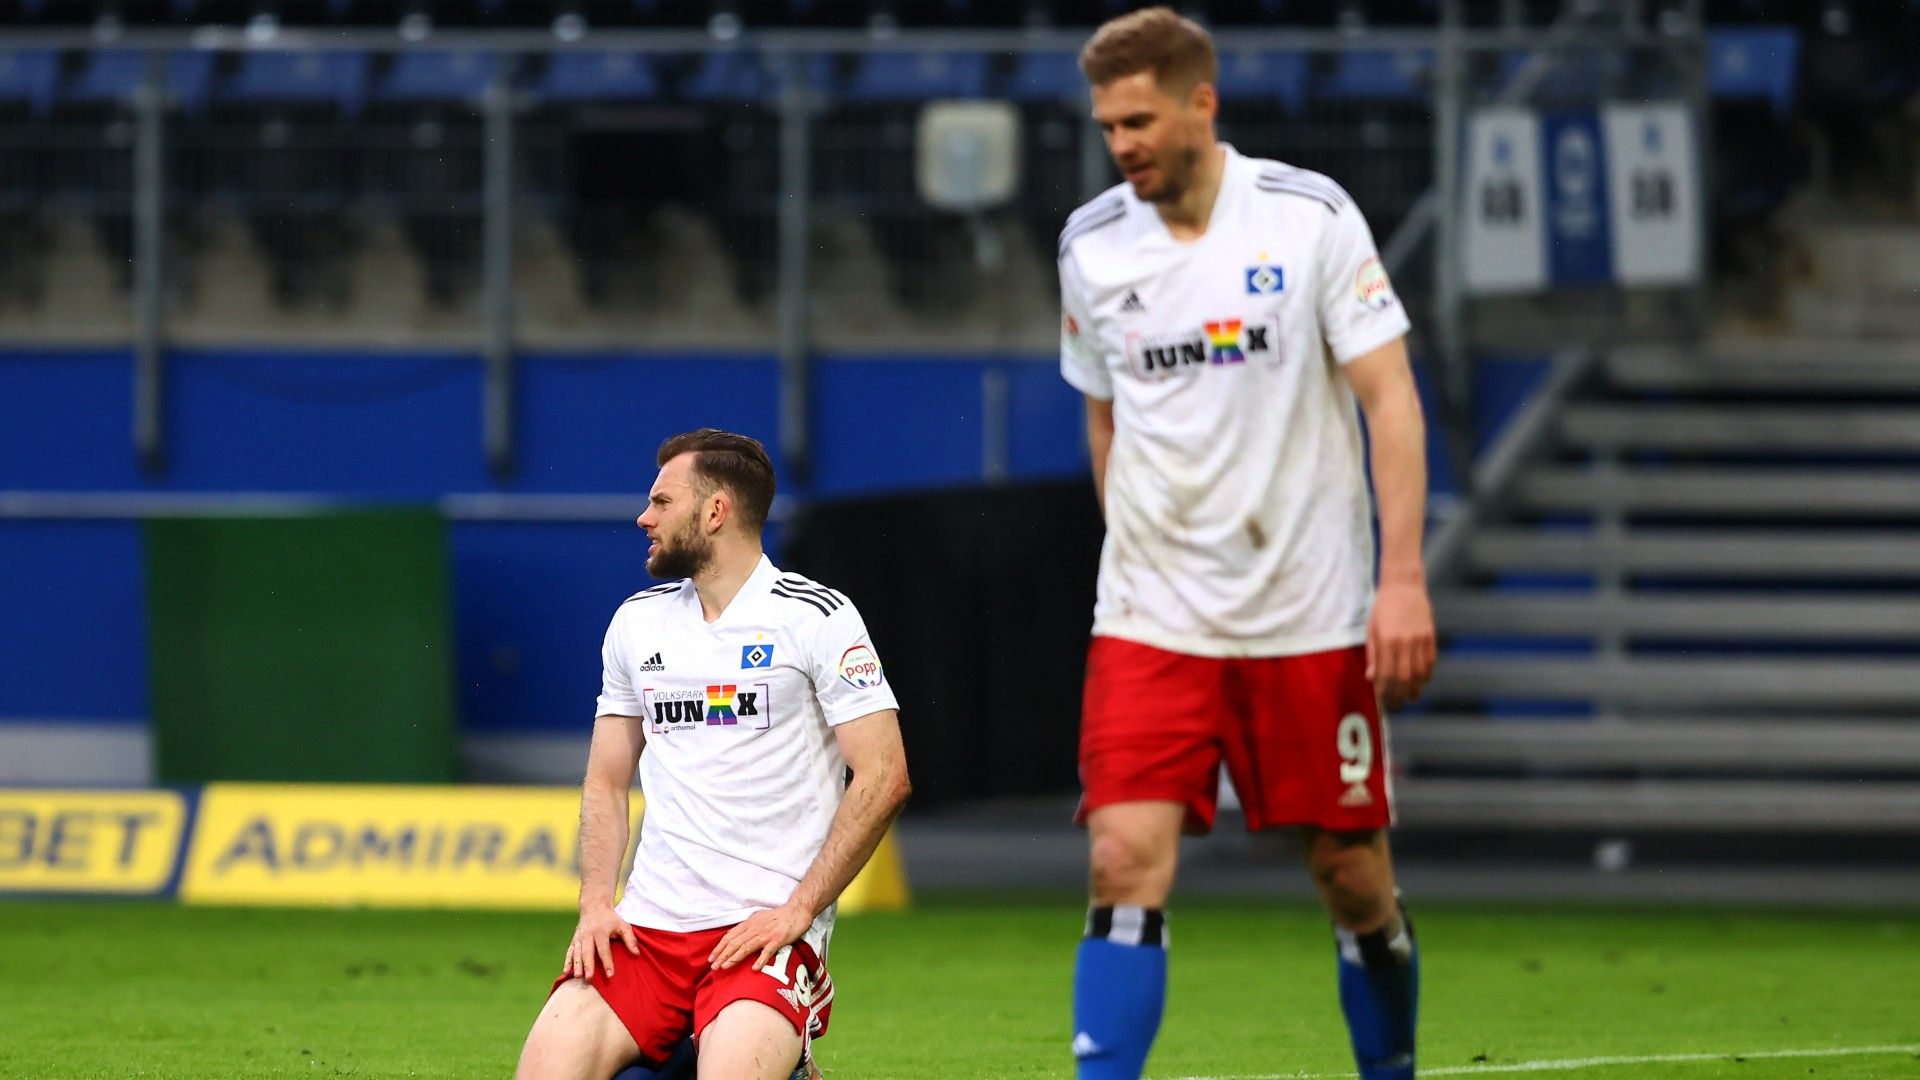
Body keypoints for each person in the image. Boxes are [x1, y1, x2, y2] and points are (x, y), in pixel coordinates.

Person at [1056, 9, 1437, 1080]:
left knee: (1353, 876)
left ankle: (1390, 1065)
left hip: (1307, 612)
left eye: (1138, 120)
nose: (1121, 143)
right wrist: (1134, 534)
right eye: (1106, 125)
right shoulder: (1091, 245)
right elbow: (1102, 413)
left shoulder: (1307, 219)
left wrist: (1399, 581)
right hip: (1149, 616)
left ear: (1200, 104)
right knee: (1122, 857)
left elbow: (1391, 399)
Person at [514, 428, 911, 1080]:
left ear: (715, 511)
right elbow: (607, 781)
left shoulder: (817, 618)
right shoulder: (636, 624)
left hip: (764, 936)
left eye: (661, 502)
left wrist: (801, 910)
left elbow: (884, 774)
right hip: (647, 933)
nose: (644, 517)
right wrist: (595, 904)